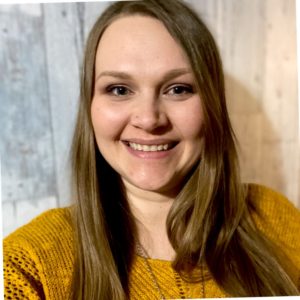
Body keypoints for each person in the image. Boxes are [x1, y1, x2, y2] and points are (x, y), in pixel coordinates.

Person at [3, 0, 300, 299]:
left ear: (212, 103)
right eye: (119, 89)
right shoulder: (25, 267)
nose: (148, 119)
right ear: (90, 106)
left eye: (178, 89)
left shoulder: (274, 216)